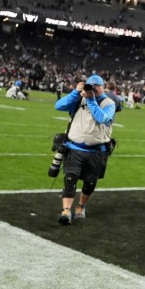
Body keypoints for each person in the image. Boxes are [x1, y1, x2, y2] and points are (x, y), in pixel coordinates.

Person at [53, 74, 116, 225]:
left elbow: (102, 118)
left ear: (102, 87)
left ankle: (80, 207)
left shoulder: (109, 103)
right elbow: (58, 106)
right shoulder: (78, 98)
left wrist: (91, 100)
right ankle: (66, 211)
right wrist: (76, 92)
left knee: (90, 182)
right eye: (90, 86)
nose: (92, 89)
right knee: (70, 178)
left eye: (96, 86)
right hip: (74, 147)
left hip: (96, 151)